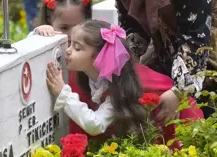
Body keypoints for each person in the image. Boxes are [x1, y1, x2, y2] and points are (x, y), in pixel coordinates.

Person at [46, 20, 203, 149]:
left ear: (98, 58)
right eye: (70, 43)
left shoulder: (120, 85)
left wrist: (63, 94)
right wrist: (42, 33)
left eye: (77, 47)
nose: (68, 50)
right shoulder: (91, 74)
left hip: (181, 123)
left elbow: (95, 124)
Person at [115, 0, 211, 118]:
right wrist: (123, 69)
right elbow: (131, 26)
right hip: (167, 53)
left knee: (208, 122)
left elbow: (196, 40)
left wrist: (178, 92)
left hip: (214, 59)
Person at [29, 0, 96, 136]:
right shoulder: (47, 38)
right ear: (49, 20)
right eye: (64, 28)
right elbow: (29, 55)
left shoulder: (92, 44)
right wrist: (38, 34)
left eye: (77, 26)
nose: (71, 34)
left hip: (83, 116)